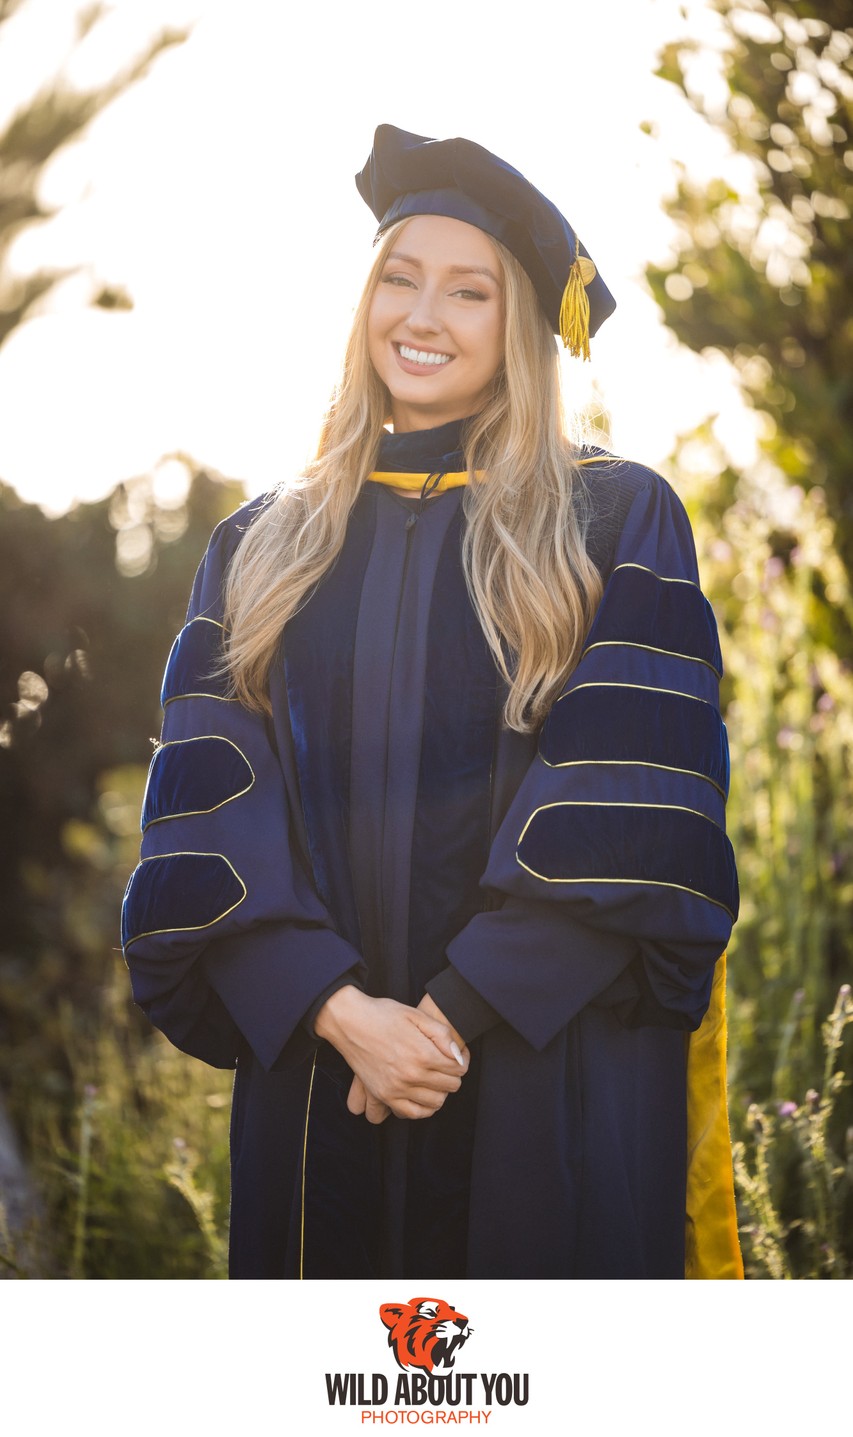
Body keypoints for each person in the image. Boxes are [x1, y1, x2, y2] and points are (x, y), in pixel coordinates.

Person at [121, 124, 741, 1280]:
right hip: (321, 1077)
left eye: (470, 291)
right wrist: (337, 1010)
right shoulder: (263, 545)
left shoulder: (611, 522)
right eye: (398, 280)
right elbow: (208, 819)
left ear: (521, 330)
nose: (423, 316)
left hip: (541, 1070)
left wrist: (447, 1019)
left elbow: (632, 814)